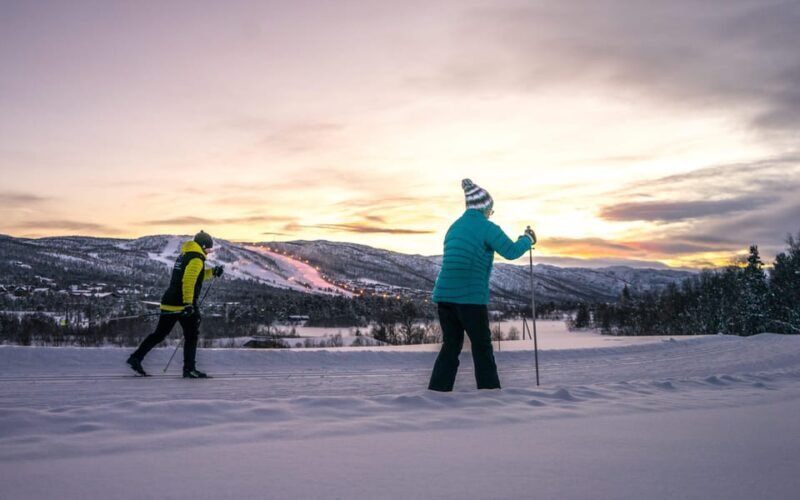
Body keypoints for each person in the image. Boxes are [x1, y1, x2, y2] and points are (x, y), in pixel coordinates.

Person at [428, 179, 535, 391]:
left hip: (444, 298)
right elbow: (511, 251)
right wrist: (527, 239)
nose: (490, 213)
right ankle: (490, 393)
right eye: (490, 210)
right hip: (470, 299)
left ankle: (437, 392)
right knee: (482, 347)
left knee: (451, 346)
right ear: (484, 207)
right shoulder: (487, 227)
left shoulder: (454, 227)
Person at [127, 230, 224, 378]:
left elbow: (195, 276)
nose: (209, 252)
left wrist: (212, 272)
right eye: (209, 249)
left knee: (159, 334)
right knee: (192, 336)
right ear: (203, 246)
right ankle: (189, 369)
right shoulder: (197, 259)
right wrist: (188, 304)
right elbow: (189, 281)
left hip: (169, 301)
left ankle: (136, 358)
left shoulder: (185, 255)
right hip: (182, 304)